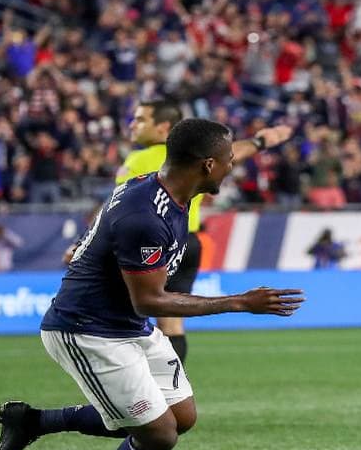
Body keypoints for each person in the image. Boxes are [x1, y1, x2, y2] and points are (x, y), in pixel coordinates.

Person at [0, 118, 304, 450]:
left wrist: (263, 140)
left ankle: (34, 422)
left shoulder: (167, 185)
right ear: (208, 166)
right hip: (88, 330)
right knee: (159, 435)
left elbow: (112, 242)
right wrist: (239, 302)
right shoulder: (147, 217)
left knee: (181, 416)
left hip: (127, 325)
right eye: (229, 161)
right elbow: (150, 299)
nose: (235, 167)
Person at [110, 100, 293, 365]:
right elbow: (231, 154)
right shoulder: (196, 157)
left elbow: (117, 207)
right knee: (172, 325)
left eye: (140, 120)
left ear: (163, 128)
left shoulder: (140, 159)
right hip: (188, 242)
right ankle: (172, 385)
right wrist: (259, 142)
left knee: (129, 315)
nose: (132, 125)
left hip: (152, 242)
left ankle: (140, 389)